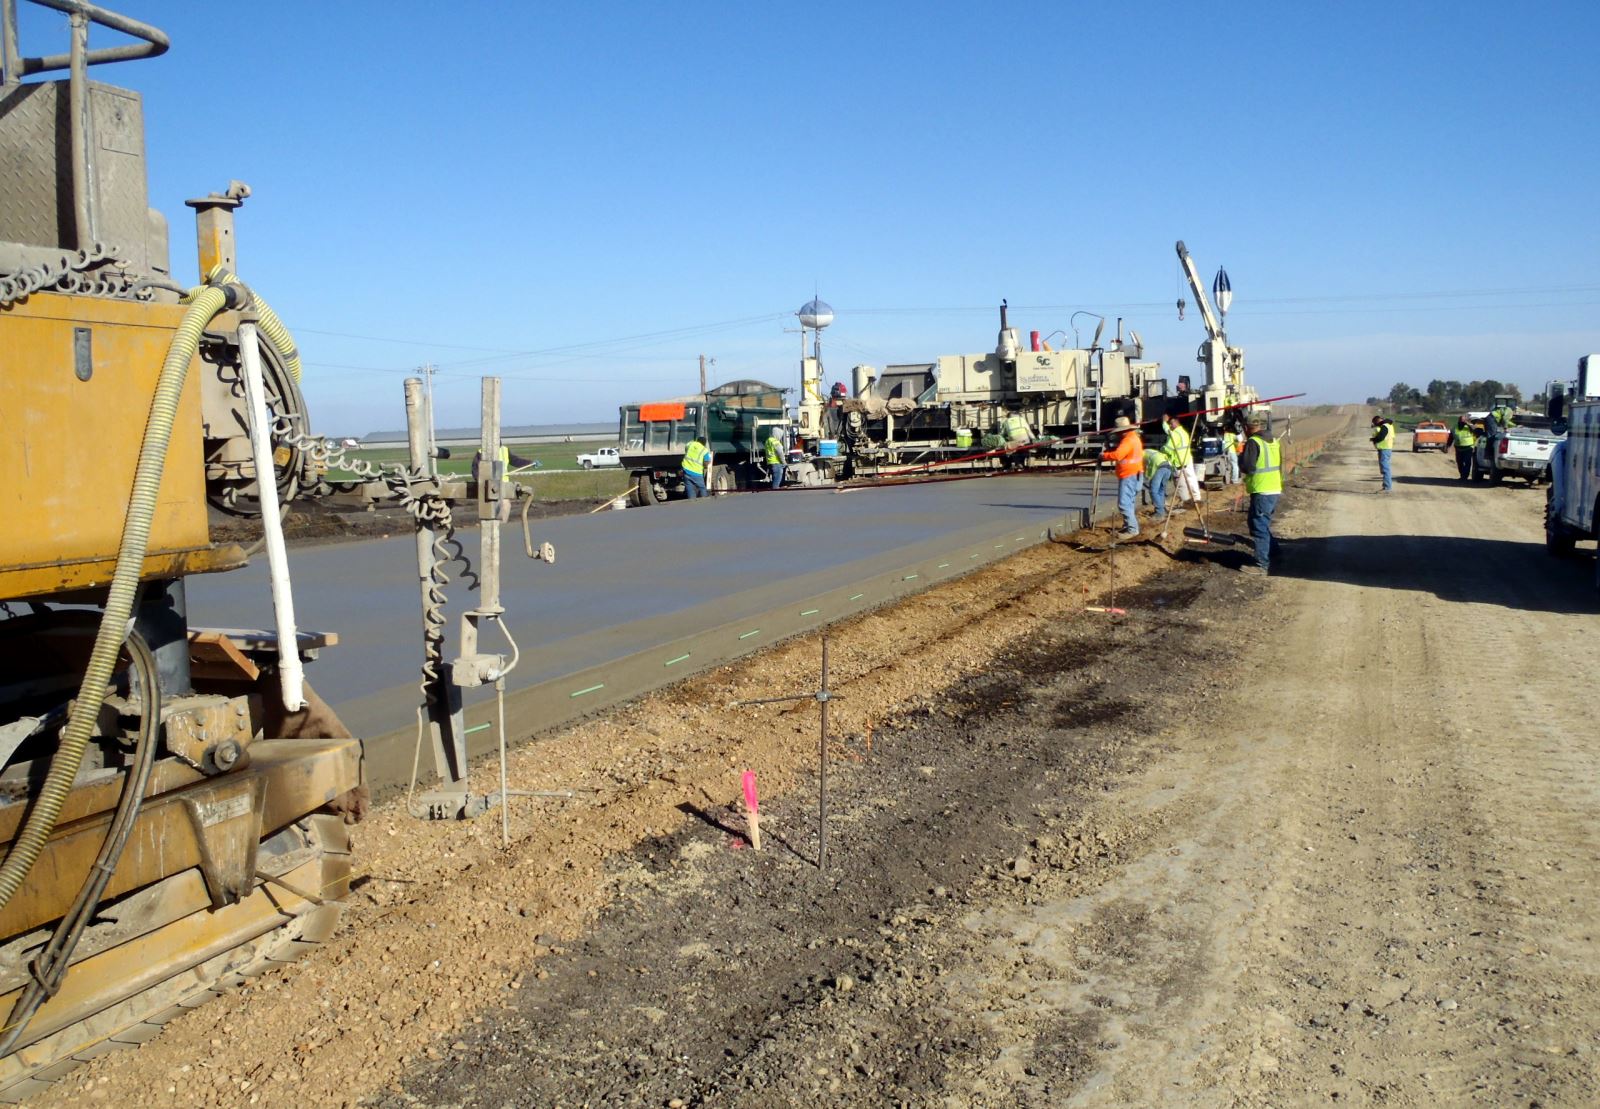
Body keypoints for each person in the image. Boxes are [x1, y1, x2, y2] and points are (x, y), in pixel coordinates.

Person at [1238, 414, 1282, 576]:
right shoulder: (1273, 441)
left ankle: (1261, 564)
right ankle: (1274, 551)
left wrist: (1239, 458)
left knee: (1259, 526)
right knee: (1257, 522)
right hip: (1273, 488)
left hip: (1262, 489)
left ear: (1247, 428)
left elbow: (1248, 467)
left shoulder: (1253, 442)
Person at [1099, 416, 1144, 540]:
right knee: (1130, 502)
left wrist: (1104, 456)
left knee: (1124, 504)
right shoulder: (1134, 438)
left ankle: (1132, 529)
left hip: (1129, 475)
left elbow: (1118, 455)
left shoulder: (1128, 440)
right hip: (1136, 474)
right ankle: (1128, 525)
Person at [1163, 411, 1203, 505]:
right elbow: (1168, 432)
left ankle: (1186, 502)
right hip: (1187, 459)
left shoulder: (1175, 434)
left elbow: (1167, 449)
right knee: (1192, 479)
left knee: (1181, 484)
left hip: (1179, 462)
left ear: (1175, 422)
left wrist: (1161, 449)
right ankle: (1197, 498)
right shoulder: (1183, 432)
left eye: (1171, 424)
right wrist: (1164, 423)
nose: (1170, 426)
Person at [1142, 446, 1172, 519]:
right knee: (1160, 490)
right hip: (1168, 467)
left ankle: (1159, 513)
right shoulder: (1148, 451)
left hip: (1160, 467)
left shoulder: (1140, 455)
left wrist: (1146, 477)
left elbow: (1144, 468)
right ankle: (1162, 511)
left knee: (1153, 491)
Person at [1370, 414, 1395, 492]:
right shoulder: (1389, 425)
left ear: (1377, 421)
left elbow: (1381, 437)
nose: (1375, 425)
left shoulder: (1384, 426)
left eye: (1375, 423)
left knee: (1385, 469)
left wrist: (1374, 439)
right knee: (1385, 468)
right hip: (1386, 449)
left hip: (1384, 449)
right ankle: (1386, 487)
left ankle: (1387, 487)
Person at [1452, 417, 1477, 481]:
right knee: (1459, 462)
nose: (1462, 422)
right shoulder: (1455, 426)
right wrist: (1448, 445)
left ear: (1466, 421)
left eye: (1463, 421)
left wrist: (1467, 424)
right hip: (1458, 448)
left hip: (1468, 448)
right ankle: (1462, 475)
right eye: (1460, 420)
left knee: (1467, 462)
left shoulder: (1469, 426)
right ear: (1458, 420)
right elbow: (1451, 436)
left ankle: (1465, 476)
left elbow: (1474, 429)